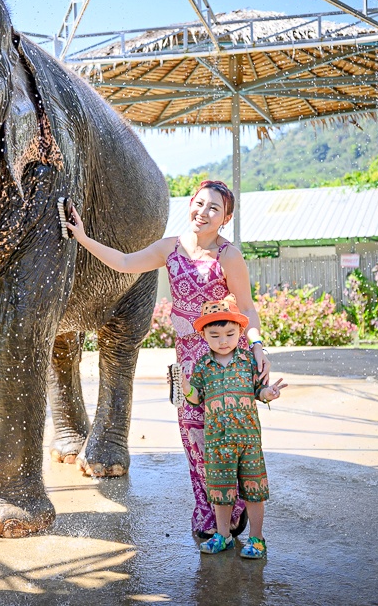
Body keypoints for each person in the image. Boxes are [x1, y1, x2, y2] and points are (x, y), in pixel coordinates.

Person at [66, 179, 271, 539]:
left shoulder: (229, 256)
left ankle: (235, 506)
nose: (204, 212)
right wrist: (82, 238)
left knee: (226, 435)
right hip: (186, 360)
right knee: (194, 438)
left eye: (214, 208)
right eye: (200, 203)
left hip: (224, 358)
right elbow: (125, 262)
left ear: (225, 218)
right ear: (190, 203)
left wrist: (257, 347)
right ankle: (210, 511)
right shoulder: (170, 248)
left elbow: (247, 307)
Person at [181, 296, 287, 558]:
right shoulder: (203, 366)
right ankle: (223, 535)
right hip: (217, 442)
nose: (223, 341)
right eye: (215, 335)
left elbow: (259, 390)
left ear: (240, 331)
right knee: (220, 491)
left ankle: (257, 538)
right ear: (203, 335)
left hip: (248, 440)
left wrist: (269, 393)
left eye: (230, 334)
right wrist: (186, 388)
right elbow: (196, 398)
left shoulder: (249, 362)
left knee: (254, 490)